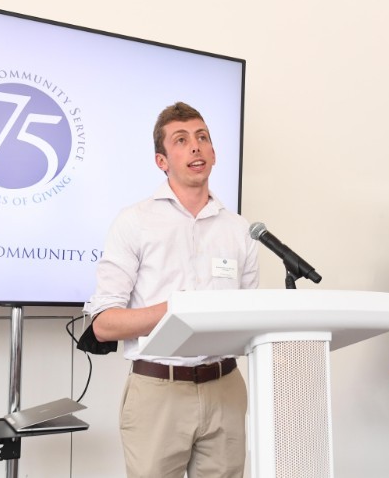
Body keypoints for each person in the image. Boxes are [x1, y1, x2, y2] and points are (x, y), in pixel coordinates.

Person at [83, 102, 259, 478]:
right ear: (162, 161)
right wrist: (180, 310)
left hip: (225, 388)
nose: (195, 147)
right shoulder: (134, 222)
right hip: (157, 390)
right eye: (181, 140)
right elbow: (103, 325)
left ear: (213, 153)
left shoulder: (240, 230)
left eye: (202, 138)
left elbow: (250, 318)